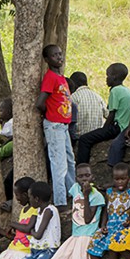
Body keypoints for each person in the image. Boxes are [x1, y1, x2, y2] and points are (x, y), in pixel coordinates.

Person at [87, 163, 130, 259]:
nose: (119, 182)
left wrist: (129, 220)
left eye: (123, 179)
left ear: (129, 179)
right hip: (110, 225)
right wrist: (103, 225)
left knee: (114, 242)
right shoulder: (109, 193)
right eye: (116, 179)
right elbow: (106, 212)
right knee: (92, 244)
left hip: (124, 225)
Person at [38, 44, 76, 207]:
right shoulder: (50, 77)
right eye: (54, 55)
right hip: (54, 126)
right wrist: (50, 113)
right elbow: (40, 102)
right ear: (47, 60)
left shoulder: (60, 77)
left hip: (63, 126)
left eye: (60, 54)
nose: (59, 57)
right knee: (59, 164)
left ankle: (74, 194)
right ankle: (60, 202)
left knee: (70, 161)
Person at [75, 63, 130, 165]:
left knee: (84, 139)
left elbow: (111, 115)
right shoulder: (127, 90)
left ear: (114, 77)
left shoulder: (115, 91)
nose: (106, 79)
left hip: (118, 127)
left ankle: (81, 166)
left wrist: (103, 130)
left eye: (108, 75)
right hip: (126, 126)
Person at [68, 71, 108, 140]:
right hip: (96, 135)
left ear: (73, 84)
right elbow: (107, 114)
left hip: (79, 135)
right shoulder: (97, 96)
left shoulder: (73, 97)